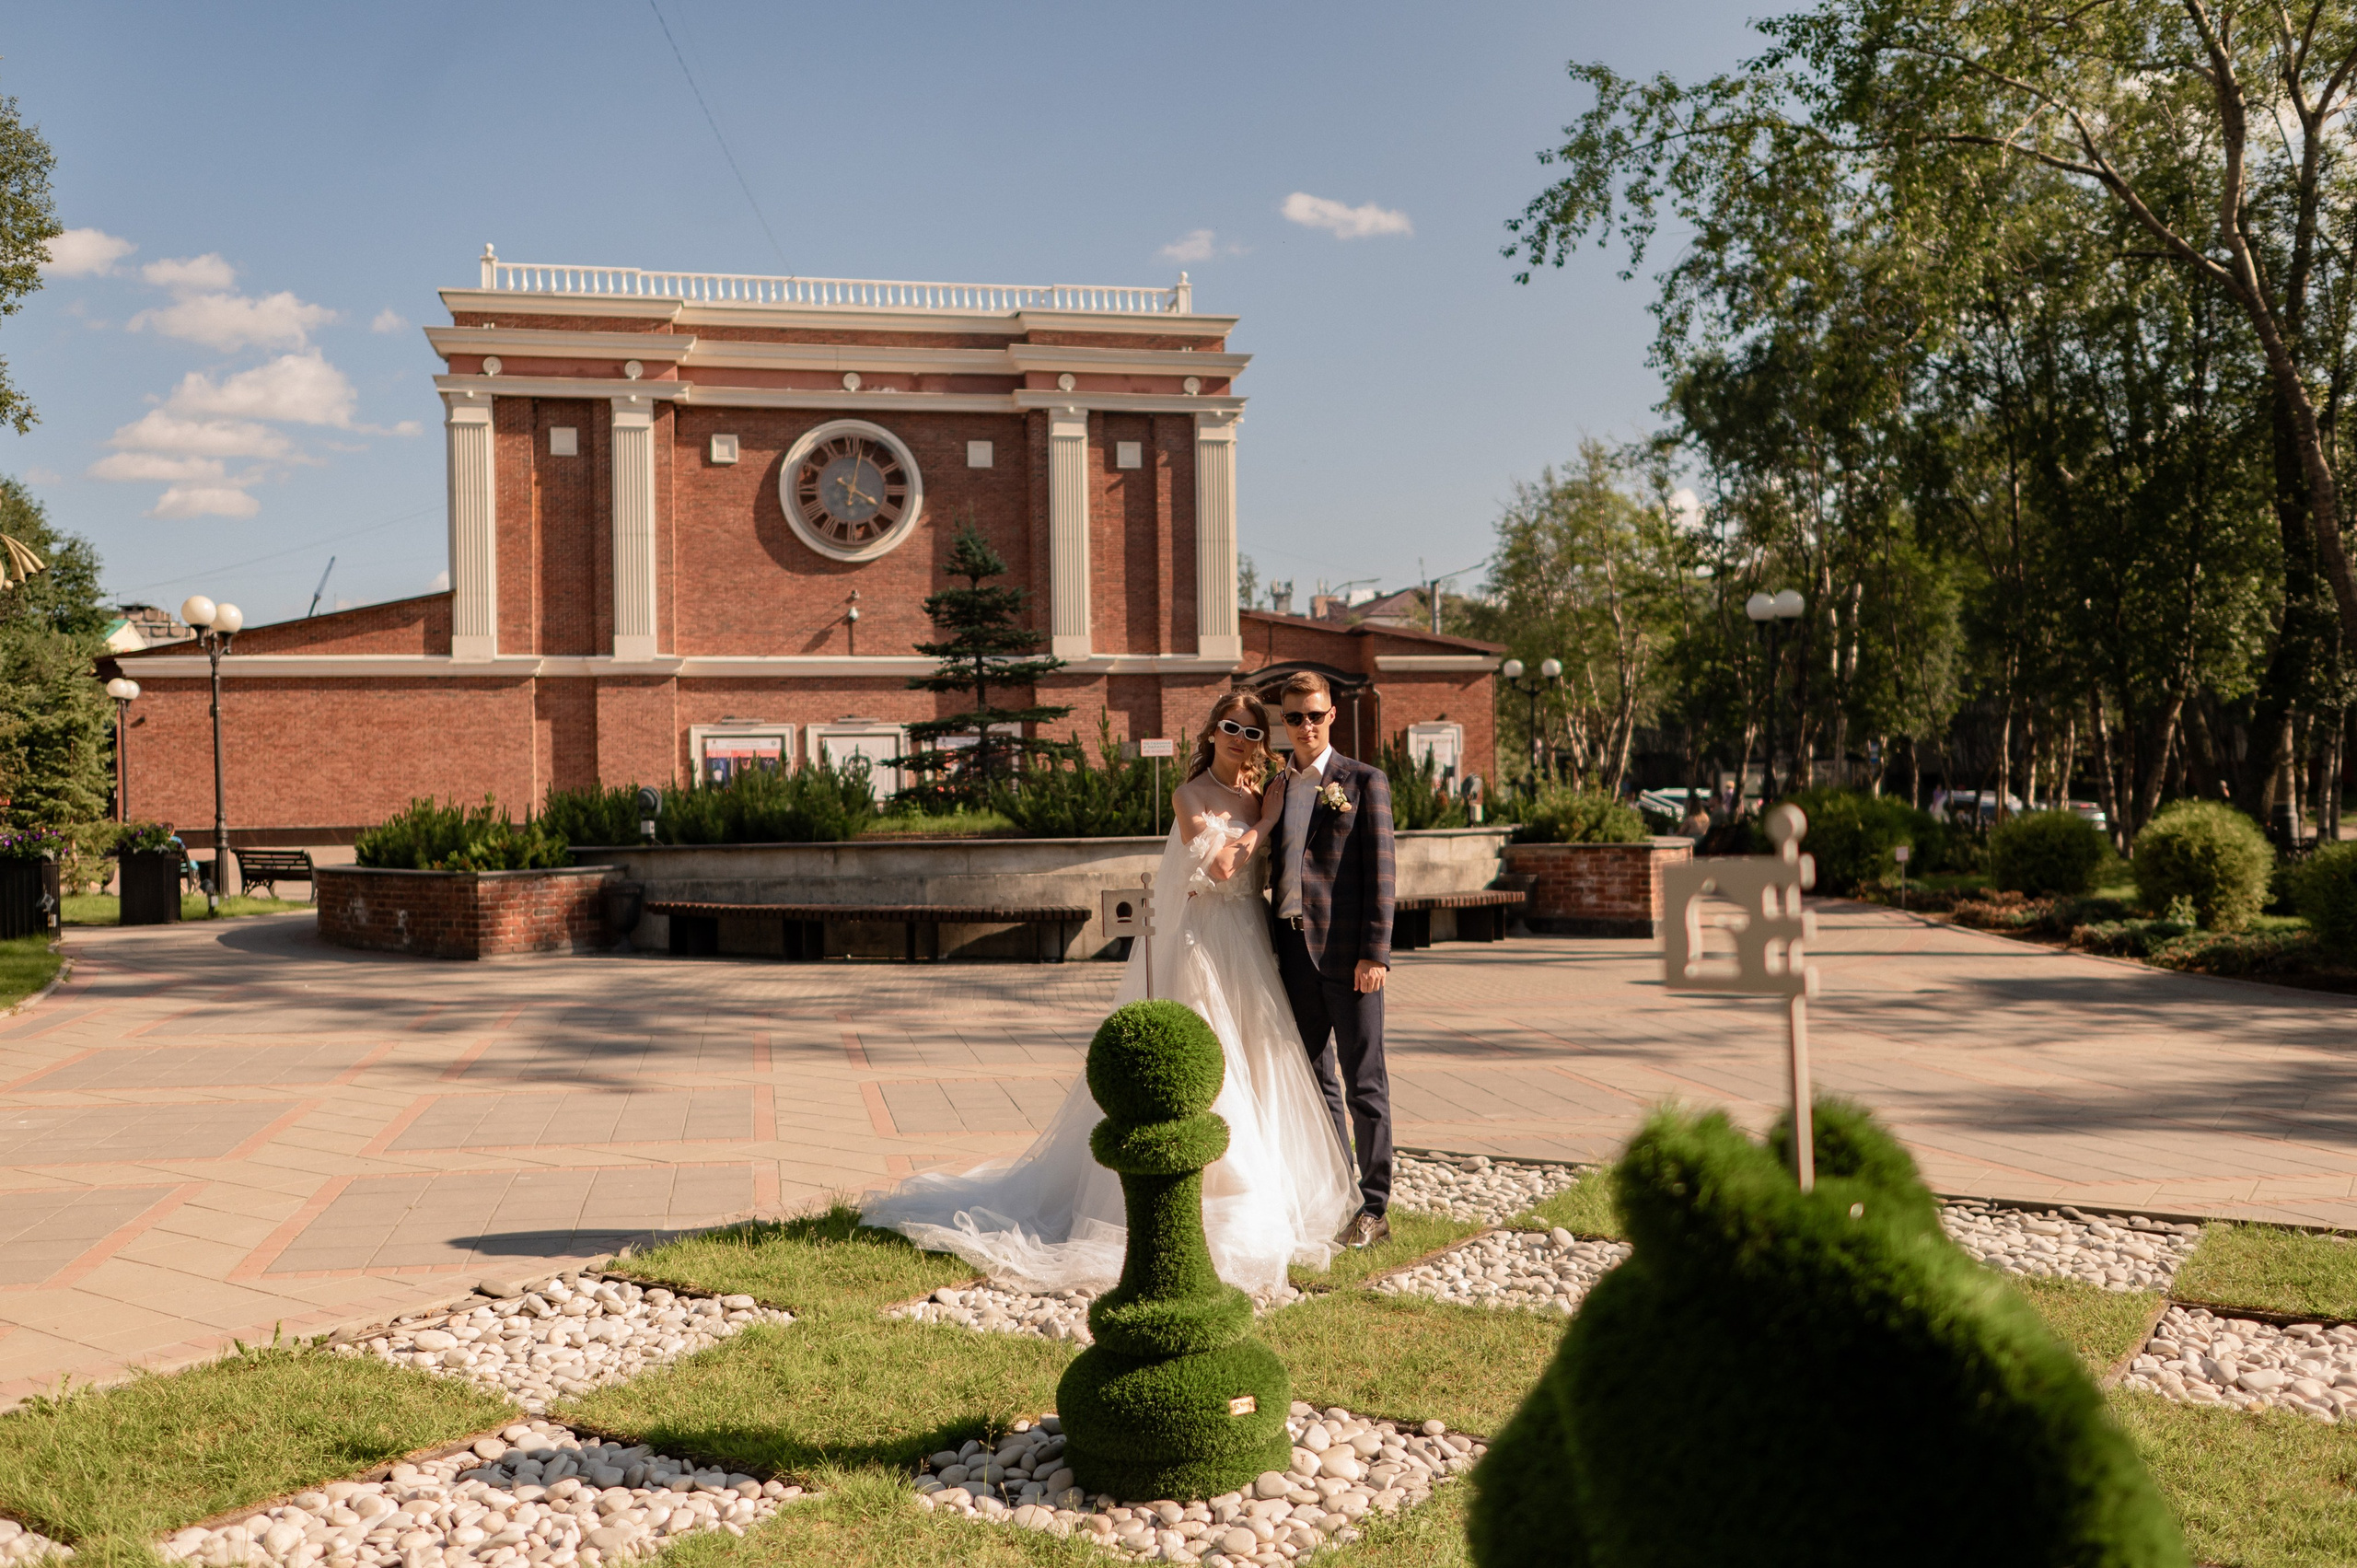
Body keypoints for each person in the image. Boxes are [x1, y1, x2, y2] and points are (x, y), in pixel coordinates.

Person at [862, 691, 1359, 1294]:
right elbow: (1223, 867)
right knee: (1212, 1061)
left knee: (1258, 1062)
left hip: (1249, 947)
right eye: (1229, 727)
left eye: (1251, 731)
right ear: (1211, 733)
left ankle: (1268, 1190)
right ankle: (1214, 1199)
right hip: (1199, 947)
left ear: (1260, 742)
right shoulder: (1192, 795)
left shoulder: (1259, 794)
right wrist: (1268, 822)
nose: (1238, 738)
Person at [1262, 670, 1398, 1249]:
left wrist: (1376, 952)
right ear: (1283, 722)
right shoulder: (1276, 784)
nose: (1306, 727)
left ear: (1332, 714)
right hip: (1291, 949)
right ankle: (1336, 1190)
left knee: (1364, 1080)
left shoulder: (1362, 781)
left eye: (1315, 715)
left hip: (1349, 956)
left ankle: (1374, 1205)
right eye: (1294, 717)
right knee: (1317, 1081)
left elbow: (1383, 875)